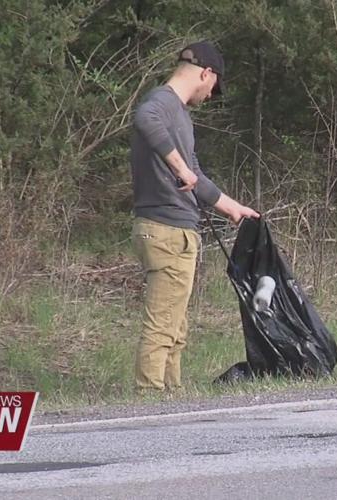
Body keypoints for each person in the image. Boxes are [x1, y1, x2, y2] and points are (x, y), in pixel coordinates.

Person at [129, 41, 259, 391]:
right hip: (166, 230)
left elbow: (195, 173)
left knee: (176, 324)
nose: (210, 95)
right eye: (213, 87)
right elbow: (144, 118)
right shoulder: (162, 104)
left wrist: (232, 208)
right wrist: (180, 168)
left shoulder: (178, 114)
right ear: (206, 73)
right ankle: (149, 394)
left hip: (175, 230)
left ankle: (171, 395)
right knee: (163, 323)